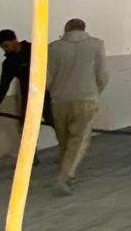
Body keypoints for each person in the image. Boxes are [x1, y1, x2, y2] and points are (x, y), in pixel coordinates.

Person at [46, 18, 109, 194]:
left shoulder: (53, 48)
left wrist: (54, 91)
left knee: (64, 139)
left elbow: (46, 78)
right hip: (87, 98)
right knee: (79, 139)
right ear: (84, 28)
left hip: (59, 101)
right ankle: (65, 177)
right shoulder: (96, 45)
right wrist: (96, 92)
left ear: (66, 28)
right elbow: (103, 73)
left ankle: (64, 172)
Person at [0, 30, 53, 126]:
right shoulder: (9, 62)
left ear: (15, 40)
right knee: (26, 125)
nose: (5, 50)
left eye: (6, 45)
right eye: (2, 47)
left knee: (55, 122)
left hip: (48, 92)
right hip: (28, 95)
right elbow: (4, 85)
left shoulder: (35, 50)